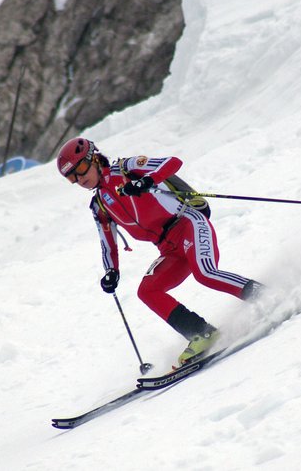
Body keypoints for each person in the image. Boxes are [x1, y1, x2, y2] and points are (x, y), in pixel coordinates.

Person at [56, 137, 262, 366]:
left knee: (205, 273)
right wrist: (111, 271)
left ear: (93, 158)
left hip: (187, 223)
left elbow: (172, 162)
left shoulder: (126, 168)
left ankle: (262, 295)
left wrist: (146, 181)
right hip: (168, 248)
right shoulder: (99, 206)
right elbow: (107, 243)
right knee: (147, 291)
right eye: (72, 177)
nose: (80, 178)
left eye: (81, 169)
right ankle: (202, 334)